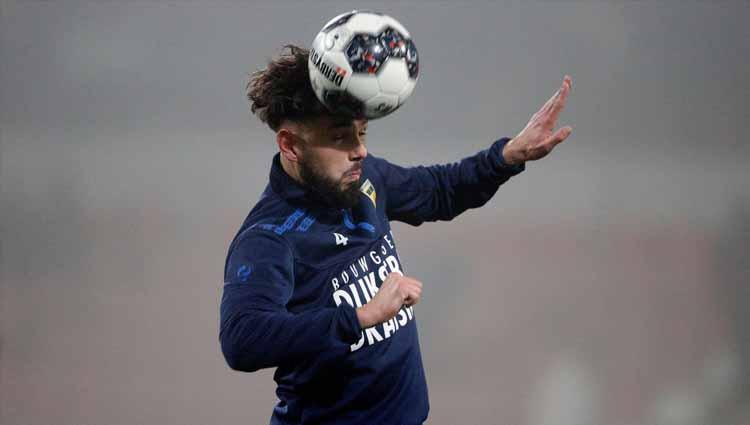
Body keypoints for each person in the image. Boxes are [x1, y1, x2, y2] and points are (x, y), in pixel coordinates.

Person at [220, 44, 572, 425]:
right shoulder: (270, 237)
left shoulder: (364, 178)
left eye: (362, 133)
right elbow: (242, 340)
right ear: (290, 145)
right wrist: (359, 316)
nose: (360, 150)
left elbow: (439, 191)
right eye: (341, 138)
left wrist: (506, 157)